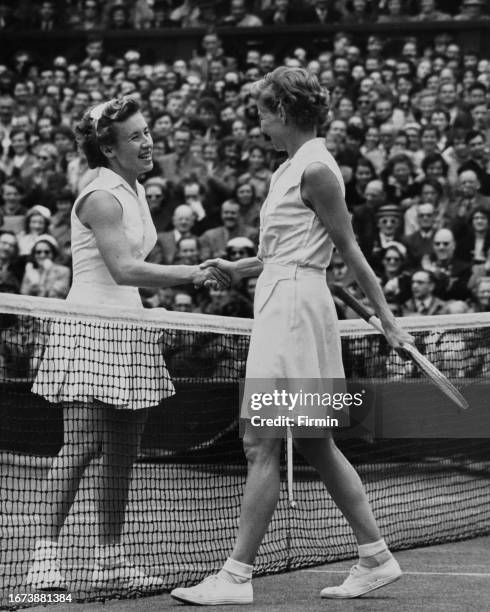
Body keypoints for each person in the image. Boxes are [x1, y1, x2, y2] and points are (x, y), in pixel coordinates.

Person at [171, 67, 413, 606]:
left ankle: (235, 577)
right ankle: (376, 555)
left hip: (296, 311)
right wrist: (239, 268)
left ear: (282, 111)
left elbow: (349, 249)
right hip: (283, 297)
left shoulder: (317, 169)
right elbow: (283, 250)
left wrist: (388, 319)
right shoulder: (292, 167)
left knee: (260, 439)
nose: (257, 122)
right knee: (312, 441)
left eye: (261, 111)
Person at [26, 97, 227, 591]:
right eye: (135, 136)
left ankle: (109, 559)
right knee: (80, 446)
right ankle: (41, 562)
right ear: (109, 149)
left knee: (122, 449)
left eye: (146, 131)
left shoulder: (134, 190)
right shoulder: (101, 196)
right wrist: (192, 273)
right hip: (92, 323)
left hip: (130, 324)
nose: (147, 141)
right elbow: (123, 269)